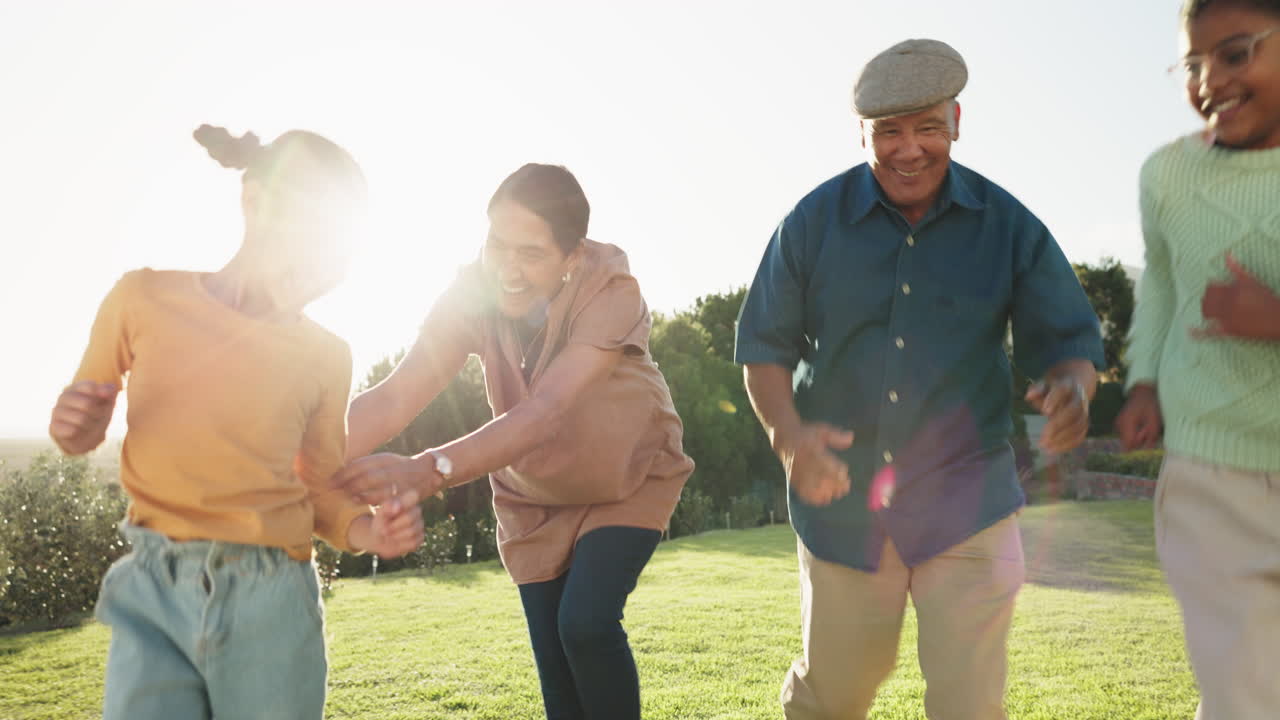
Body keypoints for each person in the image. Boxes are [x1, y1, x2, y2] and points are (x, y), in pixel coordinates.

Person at [735, 39, 1105, 720]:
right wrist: (790, 440)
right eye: (889, 132)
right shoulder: (812, 223)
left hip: (970, 502)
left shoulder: (1009, 226)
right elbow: (763, 344)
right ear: (863, 133)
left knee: (969, 703)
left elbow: (1072, 344)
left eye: (927, 128)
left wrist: (1072, 390)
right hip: (844, 503)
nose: (909, 149)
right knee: (836, 695)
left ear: (957, 121)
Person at [48, 125, 425, 720]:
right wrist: (77, 425)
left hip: (271, 600)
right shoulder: (141, 299)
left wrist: (368, 533)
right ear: (254, 201)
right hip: (153, 592)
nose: (319, 267)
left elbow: (320, 487)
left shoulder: (327, 355)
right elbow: (79, 425)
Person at [331, 163, 695, 720]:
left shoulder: (610, 287)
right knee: (557, 671)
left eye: (531, 254)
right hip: (533, 495)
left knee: (587, 623)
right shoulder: (470, 294)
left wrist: (426, 470)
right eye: (497, 246)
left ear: (572, 257)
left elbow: (545, 411)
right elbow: (395, 395)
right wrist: (297, 456)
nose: (508, 269)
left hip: (627, 478)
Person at [1115, 1, 1280, 717]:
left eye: (1236, 53)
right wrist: (1144, 378)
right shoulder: (1166, 177)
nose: (1209, 78)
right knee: (1244, 690)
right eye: (1193, 63)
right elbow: (1161, 282)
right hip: (1210, 471)